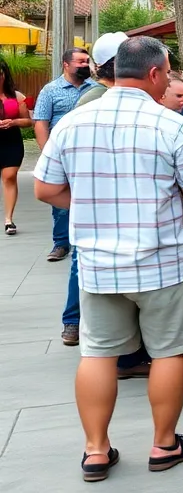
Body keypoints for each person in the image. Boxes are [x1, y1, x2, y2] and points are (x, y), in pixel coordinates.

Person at [33, 36, 183, 482]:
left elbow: (45, 189)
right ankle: (164, 444)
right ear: (155, 74)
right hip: (164, 261)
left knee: (96, 354)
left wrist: (95, 207)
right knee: (170, 352)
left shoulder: (73, 121)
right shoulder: (171, 124)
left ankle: (95, 451)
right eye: (169, 72)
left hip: (98, 264)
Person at [60, 32, 127, 348]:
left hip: (99, 196)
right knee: (81, 261)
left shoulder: (99, 94)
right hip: (97, 197)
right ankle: (73, 322)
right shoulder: (96, 98)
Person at [33, 46, 98, 263]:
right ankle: (61, 244)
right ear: (66, 64)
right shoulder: (50, 91)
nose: (84, 65)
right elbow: (41, 123)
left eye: (86, 61)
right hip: (61, 154)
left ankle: (86, 240)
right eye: (80, 61)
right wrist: (47, 154)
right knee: (60, 198)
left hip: (90, 154)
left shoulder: (95, 89)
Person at [0, 58, 32, 236]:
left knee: (9, 176)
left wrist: (13, 122)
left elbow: (29, 121)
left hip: (11, 141)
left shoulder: (17, 96)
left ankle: (8, 219)